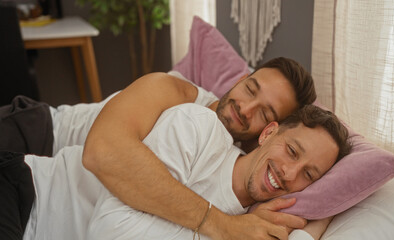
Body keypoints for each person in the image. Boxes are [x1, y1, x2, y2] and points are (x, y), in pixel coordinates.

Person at [0, 57, 317, 237]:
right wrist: (221, 224)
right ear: (242, 78)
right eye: (250, 89)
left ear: (270, 131)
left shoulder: (242, 164)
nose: (245, 109)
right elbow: (101, 153)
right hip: (39, 132)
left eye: (264, 113)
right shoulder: (177, 96)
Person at [0, 104, 351, 240]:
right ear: (268, 132)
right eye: (292, 151)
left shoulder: (252, 224)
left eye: (308, 175)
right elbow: (108, 231)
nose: (290, 174)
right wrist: (220, 228)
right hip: (24, 194)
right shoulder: (199, 129)